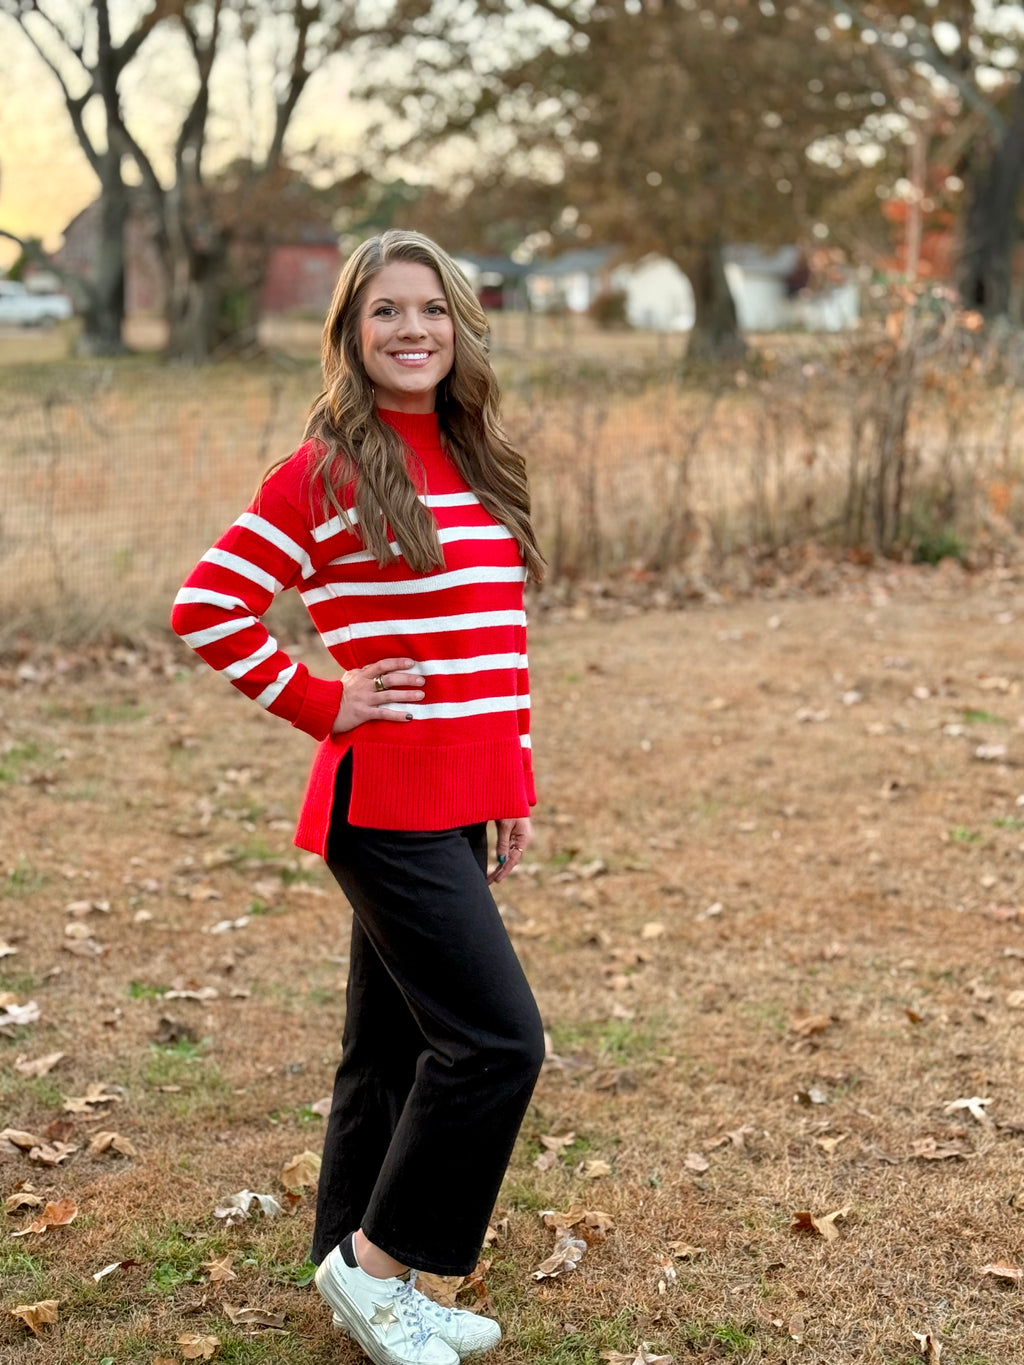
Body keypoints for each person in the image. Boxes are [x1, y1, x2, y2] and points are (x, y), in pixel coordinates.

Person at [170, 229, 546, 1365]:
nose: (412, 330)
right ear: (350, 332)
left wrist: (510, 783)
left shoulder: (476, 457)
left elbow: (492, 645)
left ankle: (350, 1262)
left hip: (460, 794)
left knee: (389, 1055)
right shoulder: (326, 466)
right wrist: (321, 700)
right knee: (495, 1043)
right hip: (380, 803)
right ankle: (380, 1271)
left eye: (429, 308)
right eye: (385, 311)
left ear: (459, 323)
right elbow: (208, 606)